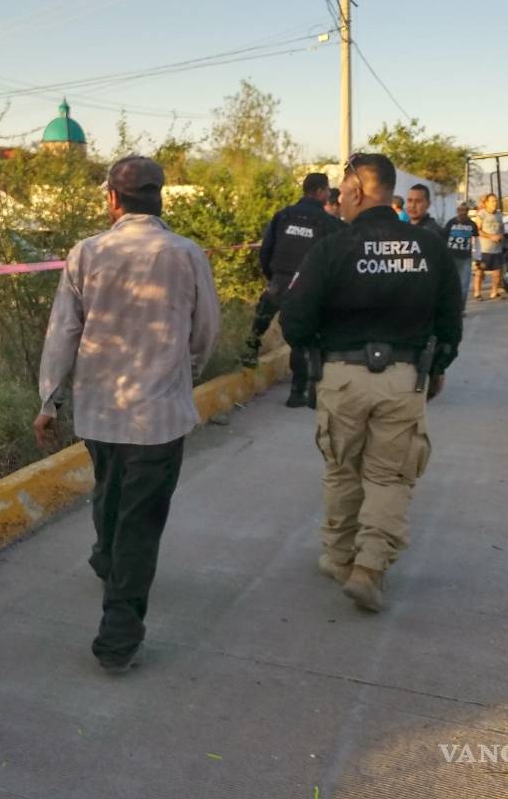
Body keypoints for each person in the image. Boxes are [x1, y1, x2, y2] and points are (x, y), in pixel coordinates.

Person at [35, 155, 221, 673]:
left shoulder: (87, 253)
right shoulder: (186, 254)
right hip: (159, 416)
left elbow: (63, 331)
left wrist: (49, 399)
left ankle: (107, 559)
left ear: (113, 199)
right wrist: (186, 370)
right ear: (159, 197)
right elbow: (206, 329)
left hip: (101, 411)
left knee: (109, 489)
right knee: (141, 518)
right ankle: (119, 633)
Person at [280, 153, 462, 612]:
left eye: (342, 192)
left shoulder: (331, 249)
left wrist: (316, 354)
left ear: (358, 191)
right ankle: (370, 568)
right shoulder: (429, 247)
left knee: (342, 468)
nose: (339, 200)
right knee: (390, 475)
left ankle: (340, 558)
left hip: (341, 376)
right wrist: (438, 366)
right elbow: (450, 318)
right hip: (403, 378)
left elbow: (294, 317)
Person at [241, 172, 344, 406]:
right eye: (327, 190)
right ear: (320, 191)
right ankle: (297, 392)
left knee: (263, 314)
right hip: (306, 286)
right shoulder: (328, 222)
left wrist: (272, 275)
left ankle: (250, 350)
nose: (329, 194)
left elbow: (266, 249)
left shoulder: (283, 215)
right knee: (301, 337)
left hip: (279, 280)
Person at [443, 202, 479, 308]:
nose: (462, 212)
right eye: (460, 210)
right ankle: (451, 306)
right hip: (451, 257)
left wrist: (478, 257)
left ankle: (460, 308)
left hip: (466, 258)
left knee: (464, 284)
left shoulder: (472, 224)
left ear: (468, 211)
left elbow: (476, 242)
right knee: (451, 284)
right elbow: (443, 239)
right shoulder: (451, 223)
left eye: (465, 210)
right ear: (457, 211)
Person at [472, 192, 505, 300]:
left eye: (495, 201)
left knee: (497, 273)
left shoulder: (499, 214)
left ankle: (494, 292)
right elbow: (477, 230)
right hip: (484, 249)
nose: (494, 203)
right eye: (492, 201)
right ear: (486, 203)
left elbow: (501, 228)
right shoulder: (481, 214)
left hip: (497, 249)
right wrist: (491, 236)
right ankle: (477, 293)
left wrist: (501, 235)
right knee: (480, 272)